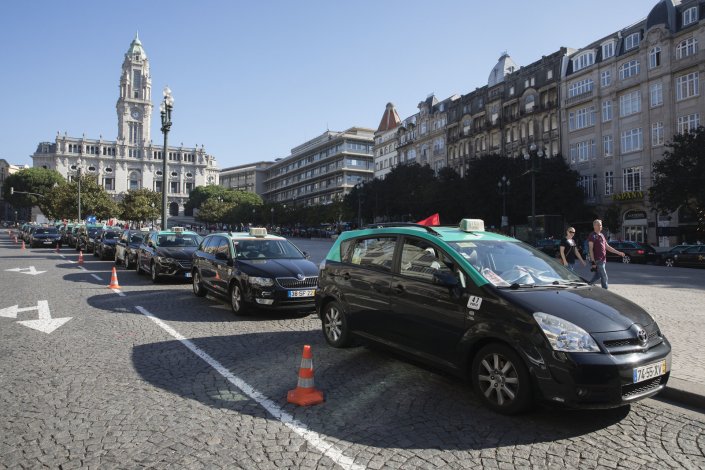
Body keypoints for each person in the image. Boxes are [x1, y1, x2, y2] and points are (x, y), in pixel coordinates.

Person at [588, 219, 625, 289]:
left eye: (601, 225)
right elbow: (590, 249)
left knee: (598, 275)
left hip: (603, 260)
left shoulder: (602, 235)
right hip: (597, 260)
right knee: (604, 276)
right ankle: (605, 291)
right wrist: (593, 261)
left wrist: (618, 252)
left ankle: (588, 285)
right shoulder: (592, 235)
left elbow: (607, 247)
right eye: (598, 225)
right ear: (594, 226)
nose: (600, 226)